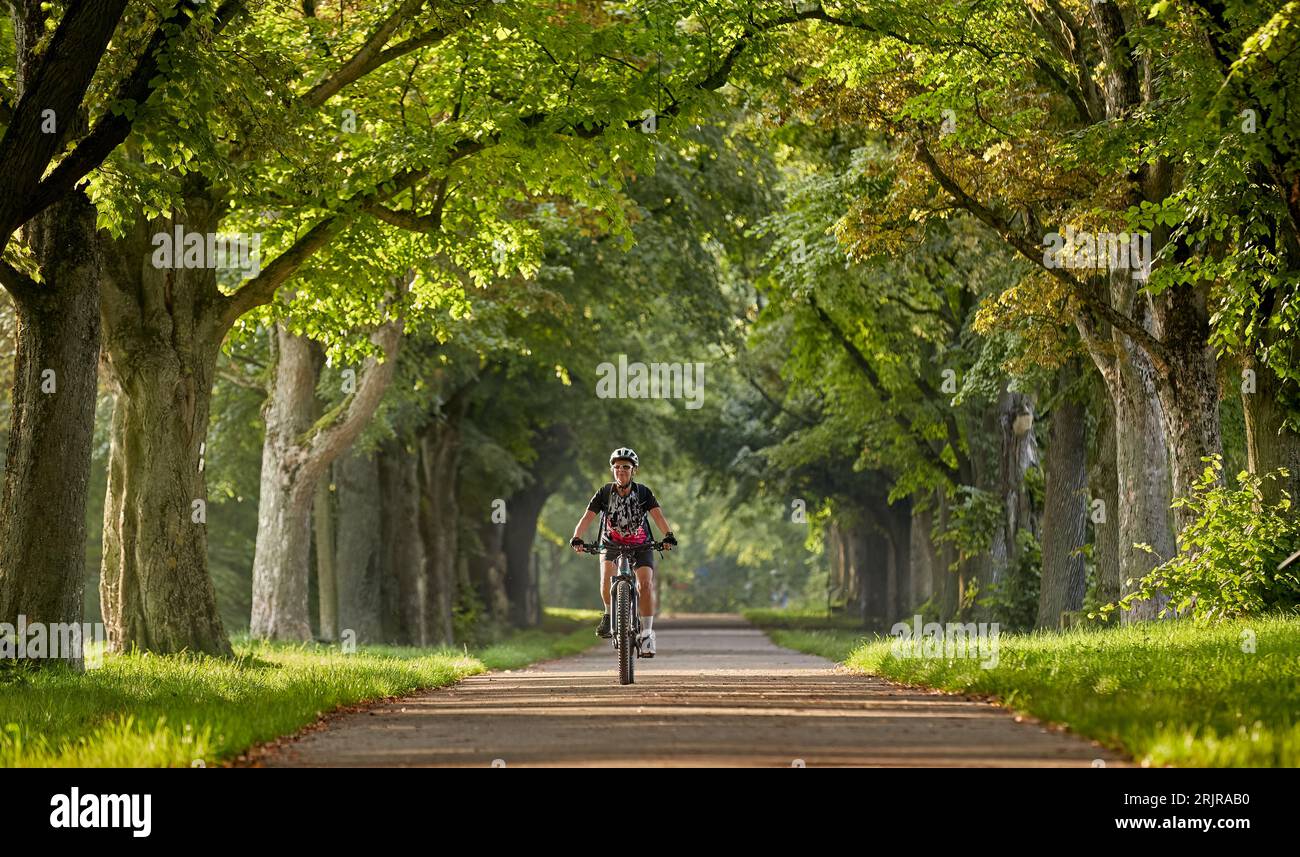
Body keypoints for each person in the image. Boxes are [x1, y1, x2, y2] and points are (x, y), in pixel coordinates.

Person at [570, 447, 676, 656]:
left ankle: (646, 634)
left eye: (625, 467)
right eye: (617, 467)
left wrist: (668, 535)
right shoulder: (604, 492)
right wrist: (576, 537)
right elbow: (587, 517)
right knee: (605, 580)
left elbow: (658, 517)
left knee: (645, 584)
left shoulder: (643, 492)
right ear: (612, 469)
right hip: (610, 544)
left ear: (633, 470)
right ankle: (610, 615)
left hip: (641, 545)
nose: (621, 471)